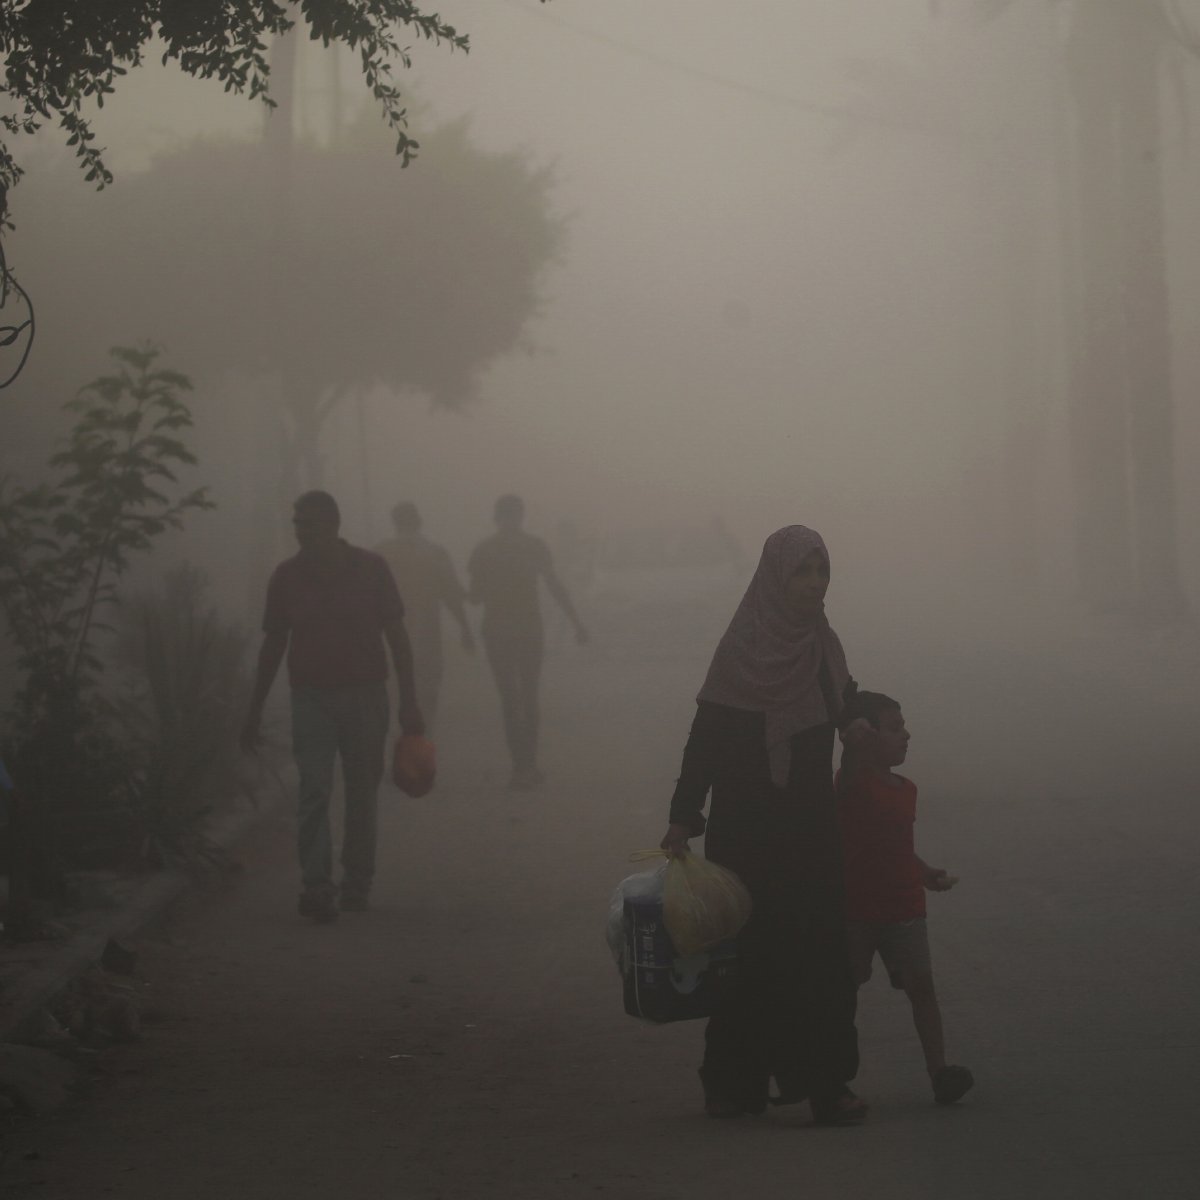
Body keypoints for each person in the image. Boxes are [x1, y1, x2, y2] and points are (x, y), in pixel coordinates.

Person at [660, 525, 865, 1124]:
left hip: (809, 831)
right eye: (802, 572)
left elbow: (847, 707)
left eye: (821, 571)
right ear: (775, 577)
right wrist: (681, 816)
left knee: (821, 960)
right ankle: (733, 1083)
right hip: (745, 834)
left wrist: (871, 728)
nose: (814, 583)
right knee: (746, 959)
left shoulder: (823, 649)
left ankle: (828, 1086)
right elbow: (704, 742)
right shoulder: (739, 650)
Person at [240, 490, 424, 922]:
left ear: (333, 525)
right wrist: (253, 711)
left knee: (361, 791)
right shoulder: (286, 577)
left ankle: (357, 881)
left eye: (308, 524)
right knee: (314, 790)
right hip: (311, 698)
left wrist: (409, 703)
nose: (300, 532)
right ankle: (318, 885)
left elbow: (397, 637)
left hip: (366, 695)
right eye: (297, 524)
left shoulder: (372, 569)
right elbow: (273, 643)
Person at [837, 690, 974, 1105]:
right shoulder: (852, 783)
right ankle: (835, 1076)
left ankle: (940, 1071)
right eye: (894, 729)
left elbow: (895, 845)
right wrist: (852, 742)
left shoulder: (905, 789)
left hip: (904, 908)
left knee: (922, 987)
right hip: (857, 910)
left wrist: (923, 872)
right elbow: (849, 772)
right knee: (843, 990)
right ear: (866, 737)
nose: (906, 735)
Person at [467, 494, 588, 789]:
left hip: (497, 631)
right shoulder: (534, 546)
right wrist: (576, 622)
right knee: (529, 696)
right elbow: (554, 585)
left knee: (509, 698)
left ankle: (519, 766)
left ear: (496, 517)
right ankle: (529, 766)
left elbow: (475, 597)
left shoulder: (484, 550)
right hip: (528, 630)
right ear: (521, 516)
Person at [374, 501, 474, 732]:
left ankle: (398, 742)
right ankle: (421, 741)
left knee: (394, 690)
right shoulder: (435, 553)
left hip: (388, 636)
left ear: (395, 522)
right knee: (428, 690)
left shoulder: (380, 553)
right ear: (419, 521)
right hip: (428, 635)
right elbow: (451, 594)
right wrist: (465, 628)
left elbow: (365, 596)